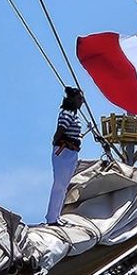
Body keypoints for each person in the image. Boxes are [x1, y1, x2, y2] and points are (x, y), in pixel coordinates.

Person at [47, 87, 84, 225]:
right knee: (60, 185)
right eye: (80, 99)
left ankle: (55, 216)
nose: (82, 102)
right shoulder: (67, 114)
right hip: (64, 151)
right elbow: (59, 132)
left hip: (70, 152)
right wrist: (62, 143)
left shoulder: (72, 114)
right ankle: (52, 218)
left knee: (63, 185)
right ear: (72, 99)